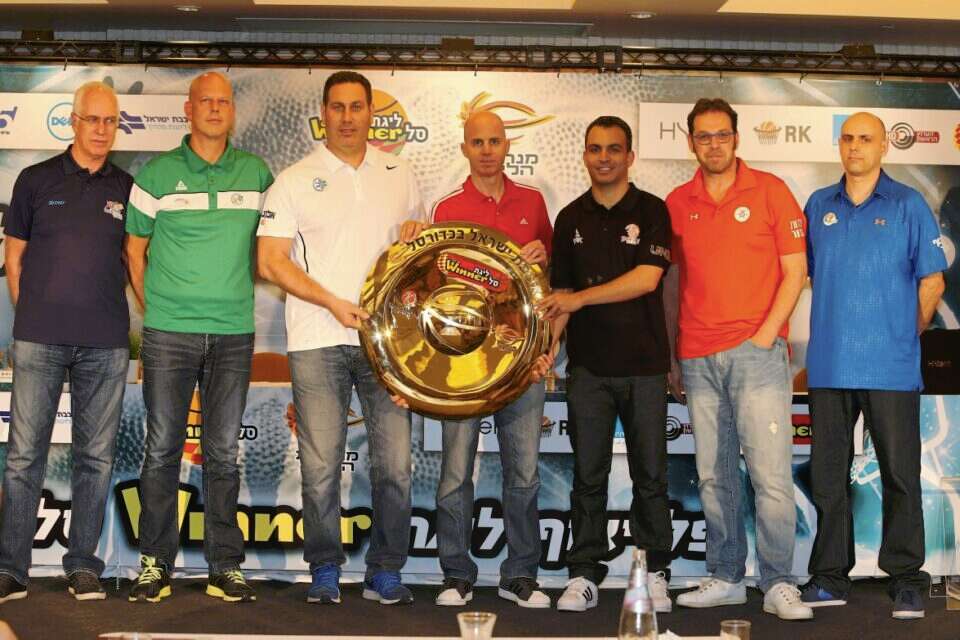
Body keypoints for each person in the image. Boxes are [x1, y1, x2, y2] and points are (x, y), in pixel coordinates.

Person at [257, 71, 424, 606]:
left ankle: (385, 570)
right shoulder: (294, 179)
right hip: (316, 339)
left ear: (372, 113)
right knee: (321, 465)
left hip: (386, 343)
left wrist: (417, 240)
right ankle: (325, 567)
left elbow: (422, 261)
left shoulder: (401, 174)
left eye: (357, 107)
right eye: (337, 107)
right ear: (323, 113)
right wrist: (331, 301)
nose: (347, 117)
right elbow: (270, 261)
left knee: (394, 465)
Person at [125, 71, 274, 603]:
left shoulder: (257, 173)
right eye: (205, 101)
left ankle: (224, 567)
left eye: (223, 102)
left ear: (232, 111)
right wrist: (159, 312)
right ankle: (154, 563)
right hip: (169, 333)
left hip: (234, 332)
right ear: (188, 109)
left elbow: (276, 245)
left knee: (223, 453)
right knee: (162, 450)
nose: (214, 108)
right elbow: (134, 251)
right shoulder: (156, 173)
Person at [665, 98, 812, 620]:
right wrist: (674, 353)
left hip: (757, 355)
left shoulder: (771, 191)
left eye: (721, 134)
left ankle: (778, 582)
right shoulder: (677, 201)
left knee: (770, 476)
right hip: (697, 357)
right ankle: (727, 576)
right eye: (703, 136)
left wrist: (765, 335)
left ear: (736, 138)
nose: (714, 144)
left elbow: (795, 270)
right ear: (691, 143)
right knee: (713, 476)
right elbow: (673, 283)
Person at [800, 111, 946, 620]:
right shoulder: (818, 205)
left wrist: (902, 333)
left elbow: (933, 281)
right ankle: (829, 576)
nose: (855, 146)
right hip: (829, 367)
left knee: (900, 476)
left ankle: (906, 579)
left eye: (865, 139)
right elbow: (810, 275)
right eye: (847, 138)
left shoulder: (908, 204)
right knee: (827, 478)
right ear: (839, 145)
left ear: (884, 146)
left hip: (891, 367)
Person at [0, 81, 132, 603]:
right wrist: (33, 313)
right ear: (73, 122)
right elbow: (14, 259)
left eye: (110, 121)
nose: (101, 130)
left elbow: (135, 260)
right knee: (23, 457)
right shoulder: (35, 180)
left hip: (106, 342)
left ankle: (82, 565)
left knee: (95, 458)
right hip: (40, 339)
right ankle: (11, 568)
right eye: (92, 119)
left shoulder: (127, 187)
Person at [538, 116, 674, 614]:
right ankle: (583, 573)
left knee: (650, 476)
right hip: (589, 370)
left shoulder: (653, 210)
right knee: (587, 476)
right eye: (595, 149)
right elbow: (562, 295)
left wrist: (578, 301)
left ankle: (654, 572)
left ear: (630, 156)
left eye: (613, 149)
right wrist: (549, 345)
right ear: (584, 156)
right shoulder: (569, 218)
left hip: (645, 366)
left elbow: (646, 279)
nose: (604, 157)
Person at [428, 110, 553, 608]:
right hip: (463, 366)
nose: (486, 150)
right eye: (476, 142)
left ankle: (520, 575)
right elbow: (432, 289)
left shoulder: (533, 202)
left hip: (521, 361)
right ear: (464, 148)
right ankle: (456, 574)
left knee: (523, 474)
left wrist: (542, 260)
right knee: (455, 474)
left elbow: (548, 284)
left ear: (507, 146)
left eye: (494, 141)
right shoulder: (447, 208)